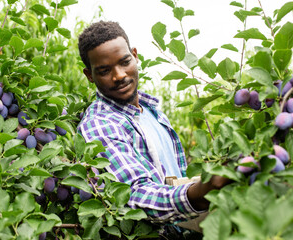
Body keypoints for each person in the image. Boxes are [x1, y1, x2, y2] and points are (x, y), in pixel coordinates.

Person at [76, 20, 230, 230]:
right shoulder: (99, 124)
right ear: (89, 76)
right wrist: (197, 194)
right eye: (104, 71)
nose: (119, 75)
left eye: (124, 62)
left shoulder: (152, 112)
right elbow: (134, 194)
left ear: (135, 55)